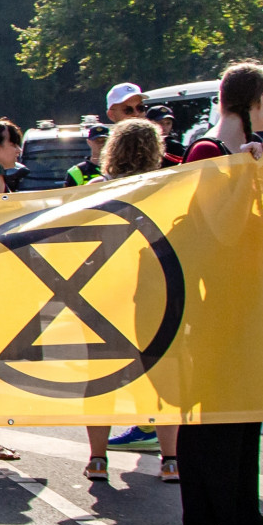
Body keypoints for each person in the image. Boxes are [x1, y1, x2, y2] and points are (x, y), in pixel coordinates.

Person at [173, 62, 263, 525]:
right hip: (212, 307)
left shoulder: (239, 154)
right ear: (256, 101)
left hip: (238, 302)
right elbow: (213, 231)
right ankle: (200, 523)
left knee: (245, 409)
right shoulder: (206, 151)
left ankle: (241, 512)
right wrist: (260, 188)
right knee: (212, 417)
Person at [82, 119, 180, 485]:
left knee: (99, 377)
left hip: (101, 292)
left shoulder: (95, 188)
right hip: (154, 290)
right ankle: (170, 460)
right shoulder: (165, 188)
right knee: (160, 372)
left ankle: (97, 459)